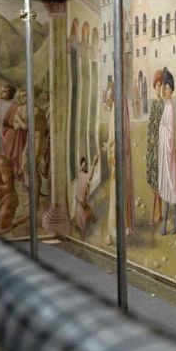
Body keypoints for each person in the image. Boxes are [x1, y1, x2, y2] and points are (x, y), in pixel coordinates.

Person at [103, 86, 136, 244]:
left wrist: (108, 148)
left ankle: (114, 232)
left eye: (109, 96)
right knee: (121, 192)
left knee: (116, 194)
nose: (108, 99)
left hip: (117, 158)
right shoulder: (121, 104)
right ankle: (123, 228)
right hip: (122, 157)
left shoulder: (116, 110)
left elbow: (114, 138)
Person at [157, 68, 176, 235]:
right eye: (164, 88)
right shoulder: (167, 106)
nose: (164, 91)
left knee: (171, 189)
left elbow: (170, 133)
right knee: (168, 190)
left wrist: (162, 128)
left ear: (171, 90)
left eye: (166, 88)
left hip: (169, 155)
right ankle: (166, 225)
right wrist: (162, 127)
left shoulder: (170, 107)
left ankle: (172, 225)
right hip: (165, 155)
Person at [0, 151, 27, 234]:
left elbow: (9, 188)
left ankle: (19, 221)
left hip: (8, 198)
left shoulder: (2, 163)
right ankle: (15, 220)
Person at [146, 70, 165, 225]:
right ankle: (157, 215)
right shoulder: (154, 104)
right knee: (154, 185)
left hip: (159, 148)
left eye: (161, 85)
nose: (159, 88)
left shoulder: (162, 105)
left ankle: (154, 216)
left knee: (156, 186)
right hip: (152, 149)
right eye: (157, 85)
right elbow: (151, 126)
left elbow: (161, 126)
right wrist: (151, 140)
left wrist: (157, 139)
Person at [2, 88, 29, 183]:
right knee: (13, 155)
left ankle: (20, 177)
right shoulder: (14, 107)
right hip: (13, 135)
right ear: (18, 97)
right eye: (23, 96)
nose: (25, 98)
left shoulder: (28, 107)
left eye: (26, 95)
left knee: (22, 155)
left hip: (23, 134)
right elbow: (6, 121)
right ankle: (12, 177)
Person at [73, 156, 98, 237]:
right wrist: (93, 162)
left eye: (85, 165)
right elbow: (88, 176)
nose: (84, 167)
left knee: (86, 212)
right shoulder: (80, 174)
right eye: (82, 165)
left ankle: (91, 219)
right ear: (80, 166)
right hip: (79, 201)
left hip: (82, 201)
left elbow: (90, 176)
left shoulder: (85, 175)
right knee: (81, 218)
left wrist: (94, 163)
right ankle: (81, 229)